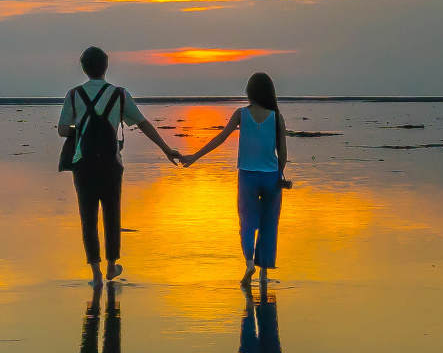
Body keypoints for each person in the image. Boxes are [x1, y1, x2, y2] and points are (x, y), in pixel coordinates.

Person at [56, 46, 177, 283]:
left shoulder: (73, 95)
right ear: (106, 67)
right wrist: (166, 149)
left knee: (87, 216)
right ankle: (112, 266)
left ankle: (96, 273)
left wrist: (79, 128)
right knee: (112, 213)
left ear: (83, 68)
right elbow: (142, 124)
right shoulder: (119, 95)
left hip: (83, 164)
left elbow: (62, 130)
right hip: (112, 164)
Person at [180, 70, 290, 285]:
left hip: (247, 176)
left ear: (249, 92)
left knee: (247, 223)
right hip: (271, 177)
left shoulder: (241, 114)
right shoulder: (277, 117)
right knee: (269, 224)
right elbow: (283, 153)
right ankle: (264, 274)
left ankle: (249, 263)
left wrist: (194, 156)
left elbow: (220, 138)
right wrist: (279, 174)